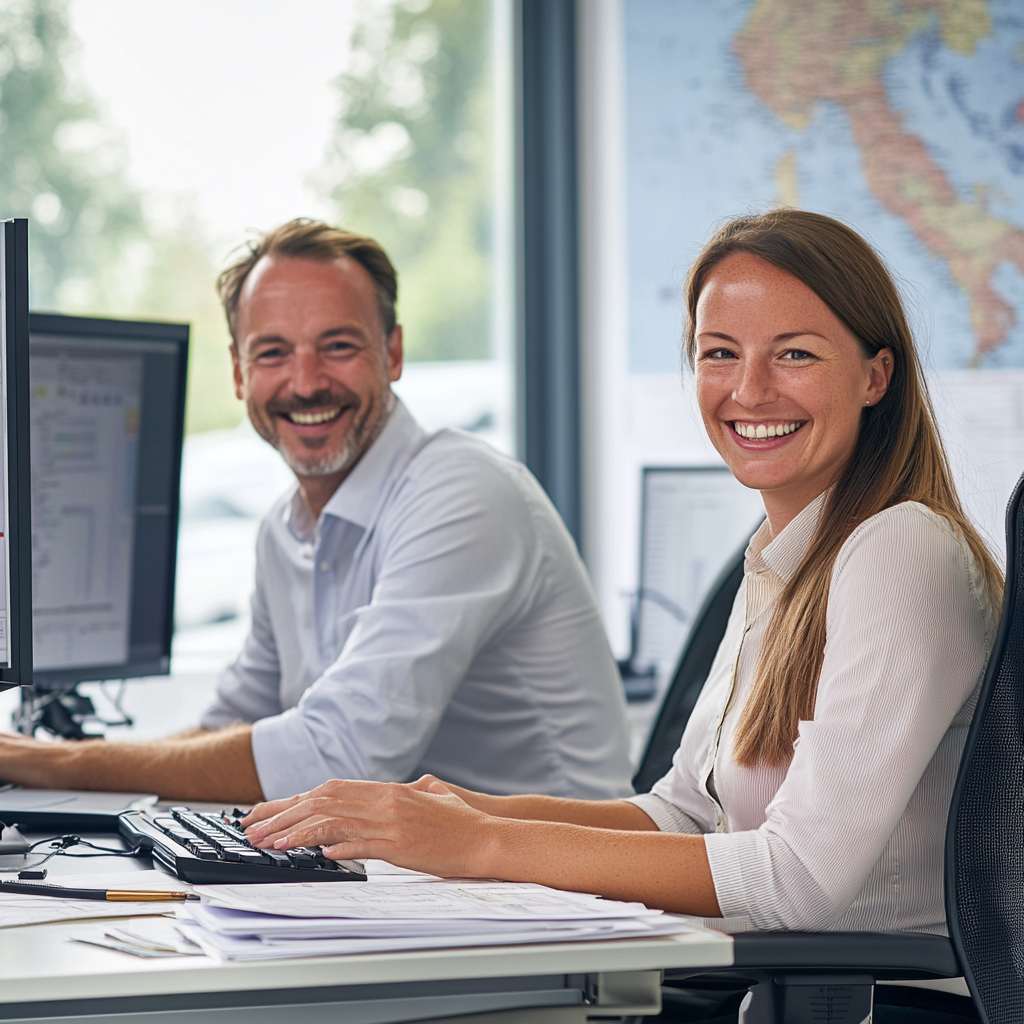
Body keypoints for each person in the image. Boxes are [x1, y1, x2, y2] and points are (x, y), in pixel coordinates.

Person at [242, 210, 1001, 1020]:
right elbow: (681, 812)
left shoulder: (900, 549)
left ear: (875, 376)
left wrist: (485, 846)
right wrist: (467, 811)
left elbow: (801, 882)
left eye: (795, 354)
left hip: (882, 1006)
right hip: (773, 988)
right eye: (720, 354)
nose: (749, 390)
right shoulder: (786, 556)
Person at [0, 218, 633, 804]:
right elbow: (231, 726)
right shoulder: (285, 530)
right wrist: (55, 766)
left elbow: (339, 757)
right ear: (239, 373)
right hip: (424, 884)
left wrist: (48, 762)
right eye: (272, 352)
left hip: (552, 897)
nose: (304, 382)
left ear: (393, 352)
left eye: (337, 346)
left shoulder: (463, 492)